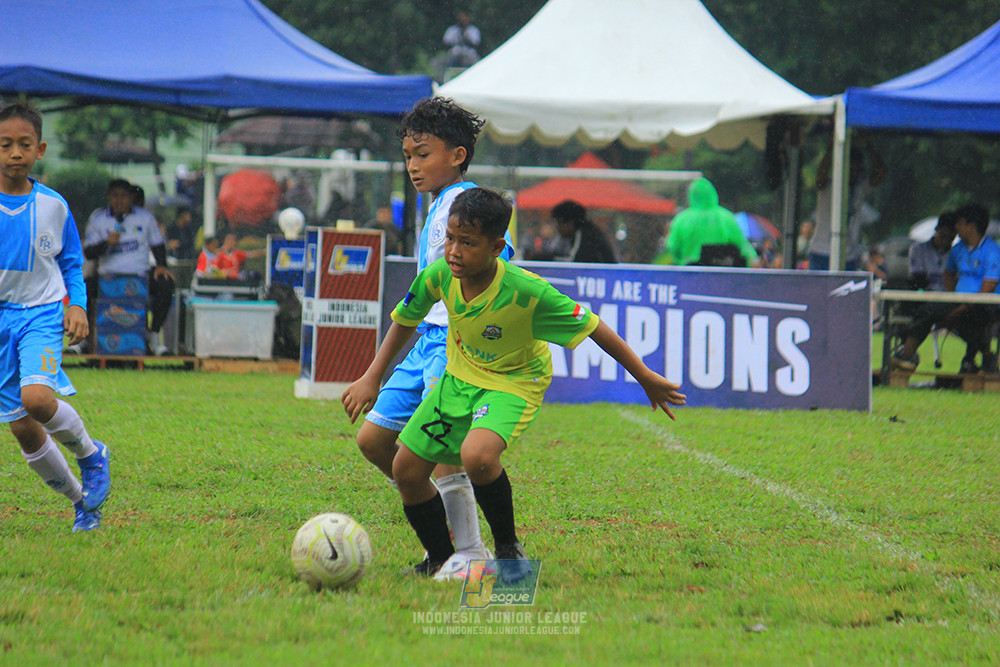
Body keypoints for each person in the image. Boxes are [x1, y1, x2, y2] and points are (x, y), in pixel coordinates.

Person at [342, 187, 686, 580]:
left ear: (496, 247)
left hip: (514, 382)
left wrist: (644, 377)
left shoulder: (527, 291)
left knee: (478, 455)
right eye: (450, 238)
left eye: (467, 242)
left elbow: (592, 327)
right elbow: (406, 318)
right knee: (406, 469)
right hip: (458, 379)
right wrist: (372, 376)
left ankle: (509, 552)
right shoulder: (439, 275)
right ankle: (441, 558)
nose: (453, 251)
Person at [343, 97, 513, 582]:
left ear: (457, 155)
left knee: (440, 455)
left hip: (454, 346)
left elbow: (499, 260)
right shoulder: (439, 206)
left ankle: (467, 554)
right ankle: (449, 545)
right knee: (375, 441)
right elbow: (421, 299)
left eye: (423, 153)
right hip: (426, 342)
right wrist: (375, 373)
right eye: (408, 156)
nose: (413, 166)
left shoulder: (467, 206)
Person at [0, 102, 110, 532]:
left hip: (40, 314)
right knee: (24, 430)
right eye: (5, 144)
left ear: (39, 149)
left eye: (23, 144)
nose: (14, 153)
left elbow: (71, 264)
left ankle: (90, 453)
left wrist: (77, 305)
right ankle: (83, 503)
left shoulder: (53, 205)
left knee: (38, 400)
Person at [891, 203, 1000, 374]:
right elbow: (948, 274)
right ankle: (906, 356)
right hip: (958, 300)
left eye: (960, 224)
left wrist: (957, 309)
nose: (956, 227)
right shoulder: (958, 250)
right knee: (928, 310)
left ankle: (980, 358)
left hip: (986, 302)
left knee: (971, 319)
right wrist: (951, 298)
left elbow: (989, 287)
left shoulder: (992, 251)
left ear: (971, 226)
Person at [83, 179, 175, 356]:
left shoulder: (145, 218)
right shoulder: (99, 219)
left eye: (123, 196)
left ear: (131, 197)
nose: (119, 201)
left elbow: (157, 244)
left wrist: (161, 265)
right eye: (115, 196)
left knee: (165, 285)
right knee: (83, 289)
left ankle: (154, 337)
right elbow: (89, 252)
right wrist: (106, 243)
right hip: (108, 276)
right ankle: (85, 340)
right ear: (109, 197)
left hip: (139, 274)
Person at [809, 134, 887, 271]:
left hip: (849, 254)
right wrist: (831, 146)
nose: (853, 172)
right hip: (822, 251)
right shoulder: (828, 184)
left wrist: (868, 146)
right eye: (850, 167)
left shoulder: (860, 186)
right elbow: (820, 176)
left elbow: (881, 171)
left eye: (857, 168)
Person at [663, 178, 758, 267]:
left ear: (691, 196)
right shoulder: (727, 217)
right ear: (713, 194)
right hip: (724, 274)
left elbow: (673, 247)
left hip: (692, 275)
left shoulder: (681, 220)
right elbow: (741, 246)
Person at [547, 200, 618, 263]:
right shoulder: (582, 232)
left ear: (570, 223)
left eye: (559, 223)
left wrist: (549, 259)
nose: (558, 228)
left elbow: (575, 260)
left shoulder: (586, 236)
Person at [908, 210, 958, 292]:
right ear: (937, 229)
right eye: (943, 236)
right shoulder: (919, 250)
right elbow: (917, 278)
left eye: (950, 237)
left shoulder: (957, 253)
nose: (945, 241)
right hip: (926, 296)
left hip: (948, 297)